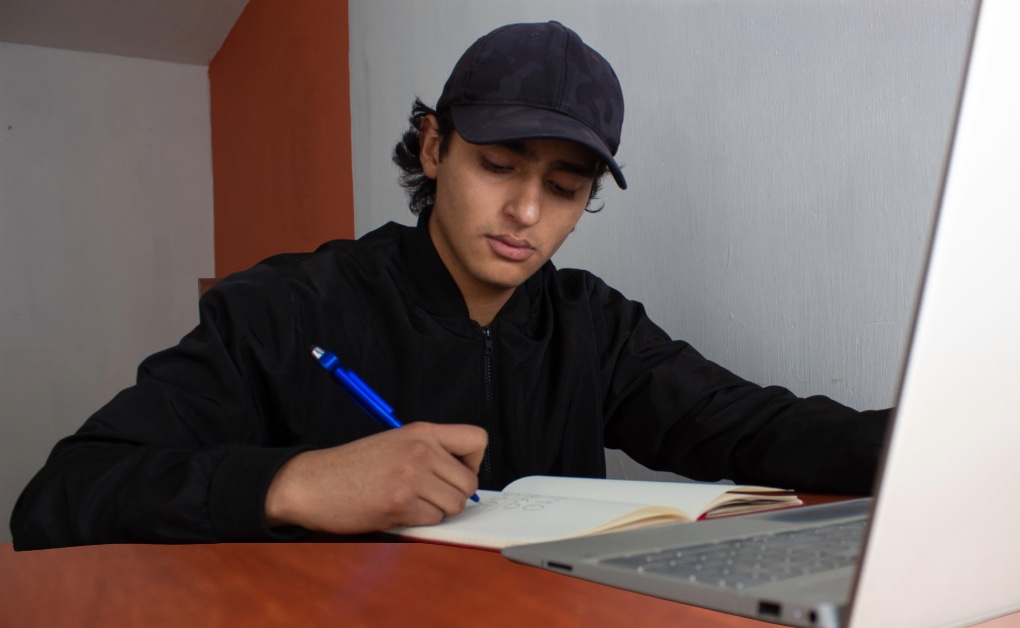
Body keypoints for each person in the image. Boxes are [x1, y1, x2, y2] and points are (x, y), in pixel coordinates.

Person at [10, 21, 889, 551]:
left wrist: (936, 445)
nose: (525, 212)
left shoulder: (594, 327)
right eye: (498, 165)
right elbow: (61, 496)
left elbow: (761, 430)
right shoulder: (284, 310)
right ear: (434, 148)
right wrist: (293, 484)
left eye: (564, 188)